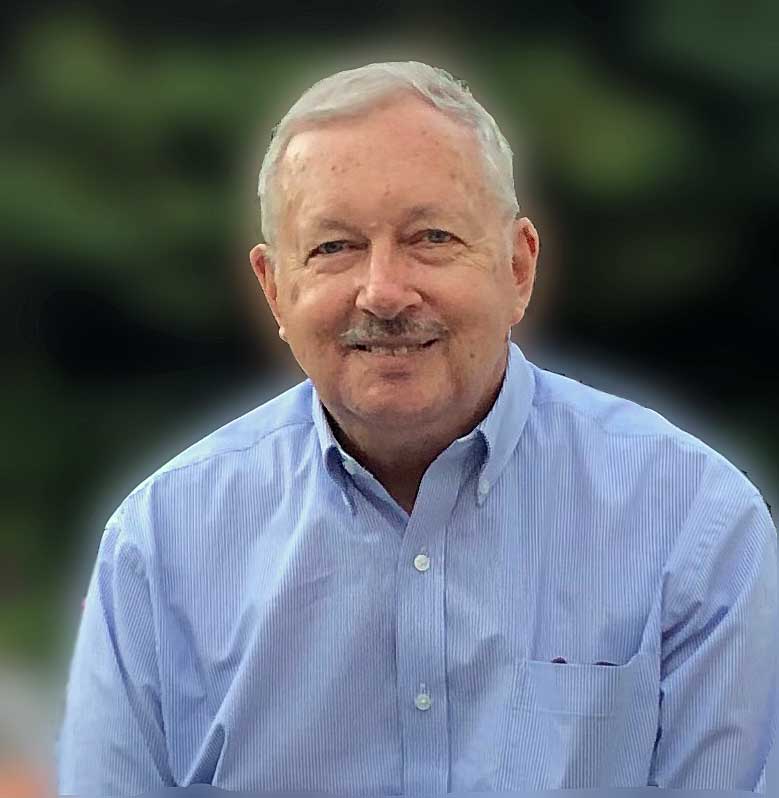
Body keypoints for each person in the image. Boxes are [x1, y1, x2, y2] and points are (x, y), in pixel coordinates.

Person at [56, 61, 778, 795]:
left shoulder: (692, 522)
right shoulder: (162, 543)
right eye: (334, 247)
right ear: (274, 288)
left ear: (518, 268)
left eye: (430, 237)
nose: (383, 292)